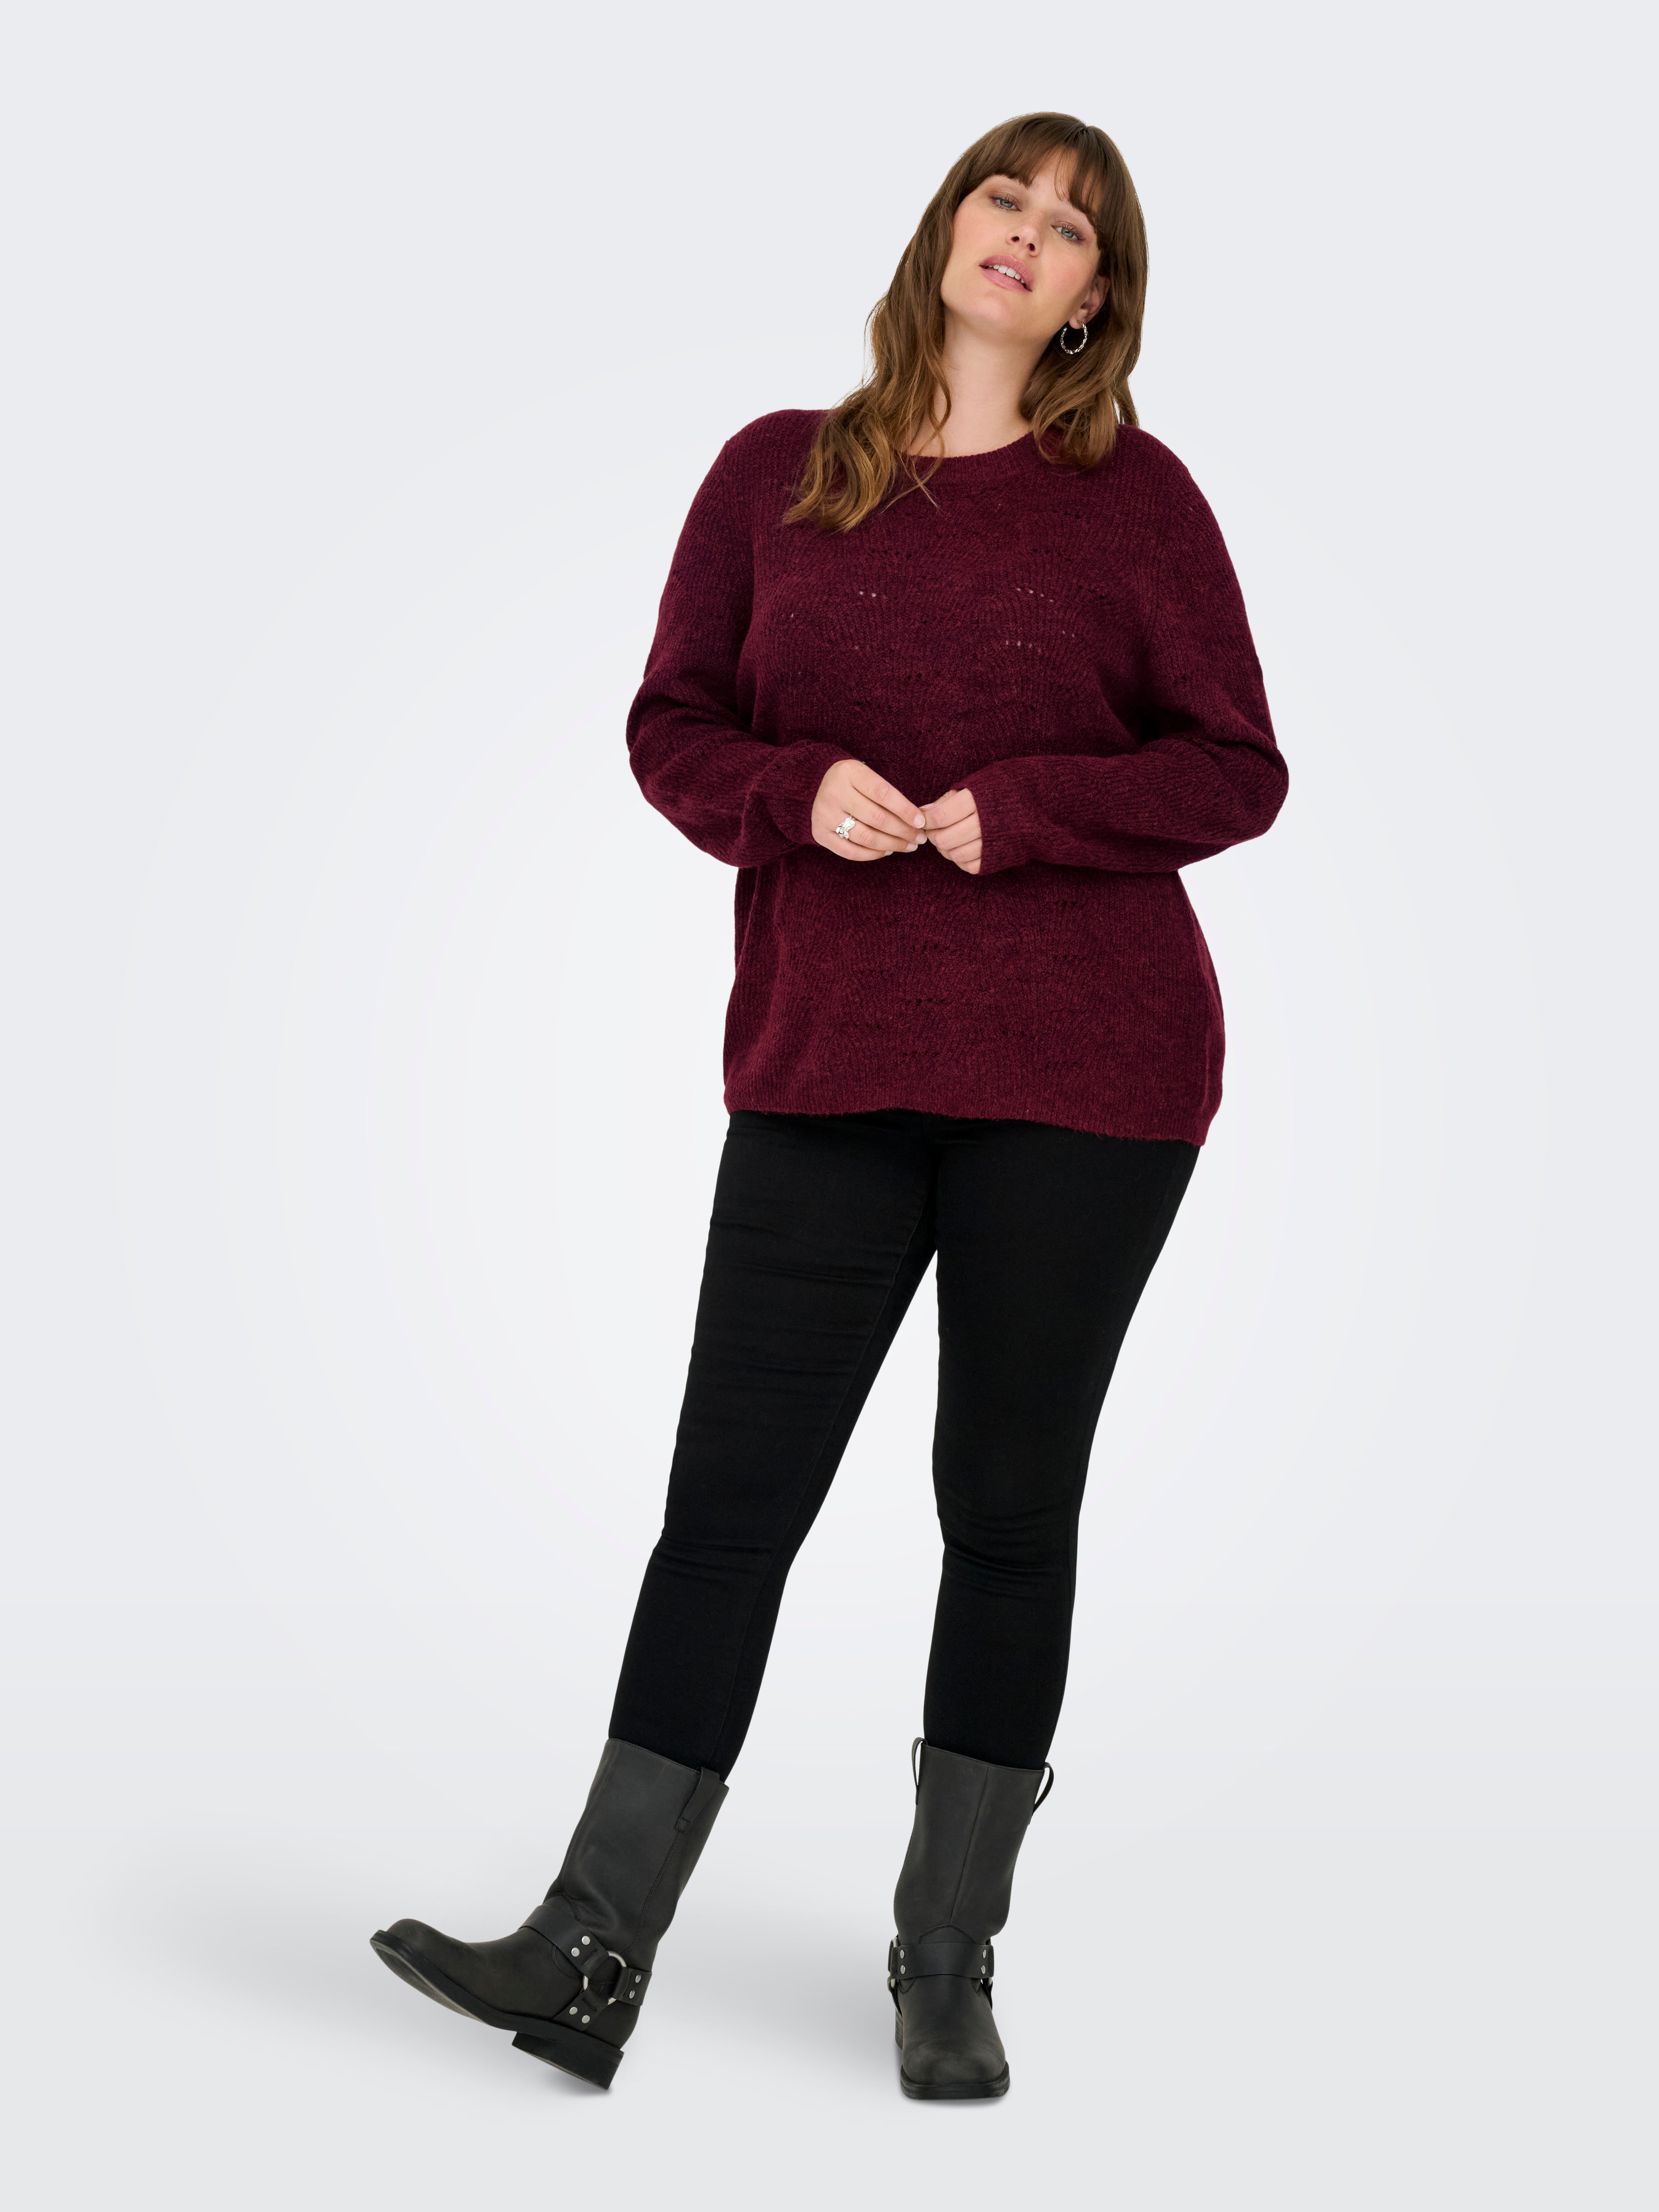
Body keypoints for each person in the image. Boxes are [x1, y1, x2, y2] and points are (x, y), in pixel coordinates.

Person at [371, 109, 1287, 2102]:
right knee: (729, 1508)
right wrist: (793, 794)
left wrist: (1018, 813)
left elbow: (1235, 769)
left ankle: (945, 1962)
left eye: (1069, 228)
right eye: (1000, 199)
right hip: (828, 1059)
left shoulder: (1135, 501)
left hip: (1089, 1076)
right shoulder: (774, 473)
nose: (1024, 236)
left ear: (1096, 298)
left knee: (1004, 1510)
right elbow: (671, 728)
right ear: (945, 229)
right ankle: (587, 1951)